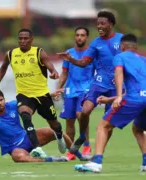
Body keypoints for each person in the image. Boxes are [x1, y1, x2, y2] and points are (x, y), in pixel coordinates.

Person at [74, 34, 146, 173]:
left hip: (135, 98)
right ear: (136, 47)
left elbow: (118, 73)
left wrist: (119, 96)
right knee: (139, 129)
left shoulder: (119, 57)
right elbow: (143, 86)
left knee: (103, 125)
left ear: (122, 47)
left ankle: (96, 162)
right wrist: (109, 100)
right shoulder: (145, 61)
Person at [0, 28, 66, 159]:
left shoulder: (38, 52)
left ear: (31, 39)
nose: (22, 41)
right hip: (24, 95)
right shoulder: (11, 54)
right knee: (25, 115)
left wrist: (53, 72)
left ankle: (59, 136)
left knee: (54, 124)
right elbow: (3, 68)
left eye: (25, 38)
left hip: (42, 95)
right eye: (20, 38)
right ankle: (37, 148)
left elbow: (49, 65)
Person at [57, 11, 123, 153]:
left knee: (108, 122)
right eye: (97, 24)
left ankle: (100, 152)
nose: (99, 26)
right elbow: (83, 63)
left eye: (102, 23)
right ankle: (82, 137)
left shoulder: (121, 40)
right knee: (85, 111)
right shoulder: (95, 43)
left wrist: (124, 75)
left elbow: (130, 59)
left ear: (110, 24)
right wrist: (71, 60)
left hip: (116, 86)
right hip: (99, 83)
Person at [0, 90, 91, 163]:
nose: (0, 103)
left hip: (28, 137)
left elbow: (32, 98)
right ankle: (51, 159)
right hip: (14, 148)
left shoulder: (12, 105)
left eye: (1, 100)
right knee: (18, 158)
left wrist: (50, 95)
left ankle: (79, 155)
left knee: (55, 131)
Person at [57, 27, 95, 160]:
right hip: (70, 90)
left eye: (82, 35)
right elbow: (64, 72)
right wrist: (59, 87)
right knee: (69, 121)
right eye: (77, 35)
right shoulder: (69, 53)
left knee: (81, 115)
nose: (79, 37)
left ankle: (86, 145)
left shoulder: (92, 53)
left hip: (86, 89)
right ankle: (71, 151)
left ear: (87, 37)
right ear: (75, 37)